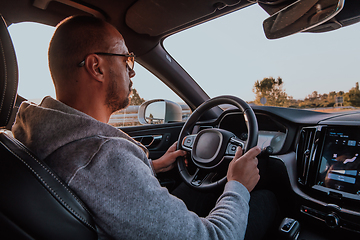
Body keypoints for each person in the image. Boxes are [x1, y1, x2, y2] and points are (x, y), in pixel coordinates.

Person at [12, 15, 277, 239]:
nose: (132, 72)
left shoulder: (40, 134)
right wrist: (238, 186)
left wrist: (154, 166)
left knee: (201, 189)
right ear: (97, 67)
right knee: (267, 199)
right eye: (126, 60)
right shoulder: (104, 158)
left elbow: (98, 186)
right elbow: (215, 236)